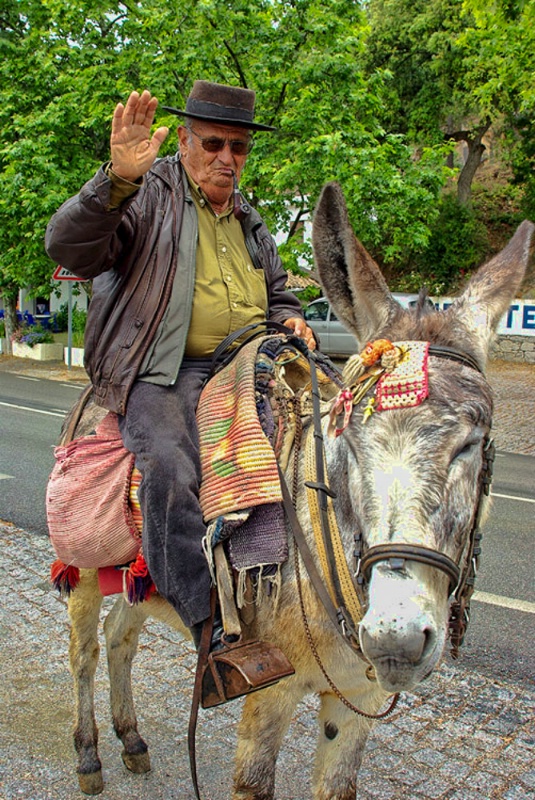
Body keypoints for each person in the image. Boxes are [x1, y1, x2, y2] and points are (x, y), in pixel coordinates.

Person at [45, 81, 315, 648]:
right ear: (186, 141)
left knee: (323, 439)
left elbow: (277, 288)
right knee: (170, 463)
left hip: (251, 358)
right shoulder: (144, 195)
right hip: (163, 368)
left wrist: (290, 317)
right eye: (214, 142)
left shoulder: (248, 215)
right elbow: (68, 247)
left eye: (238, 147)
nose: (227, 158)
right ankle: (204, 620)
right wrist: (116, 181)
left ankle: (303, 590)